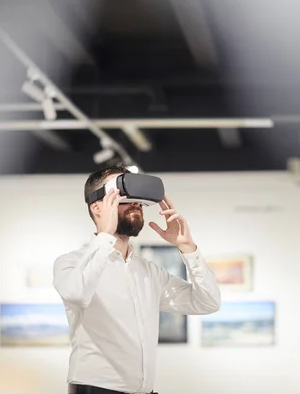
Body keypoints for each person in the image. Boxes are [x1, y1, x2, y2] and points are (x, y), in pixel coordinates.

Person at [53, 164, 221, 394]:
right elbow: (78, 294)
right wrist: (104, 236)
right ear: (97, 207)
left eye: (138, 200)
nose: (135, 204)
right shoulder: (70, 263)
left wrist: (188, 248)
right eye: (122, 196)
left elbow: (207, 302)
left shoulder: (148, 272)